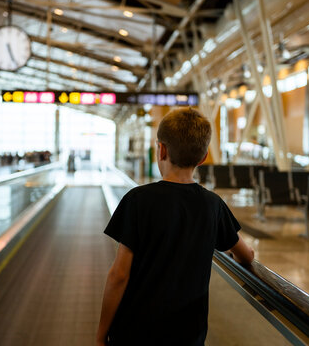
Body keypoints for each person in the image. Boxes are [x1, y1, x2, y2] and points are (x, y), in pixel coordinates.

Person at [96, 108, 254, 346]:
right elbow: (246, 254)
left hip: (134, 334)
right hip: (188, 336)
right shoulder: (213, 205)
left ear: (161, 150)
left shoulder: (137, 200)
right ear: (203, 158)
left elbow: (119, 275)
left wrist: (100, 335)